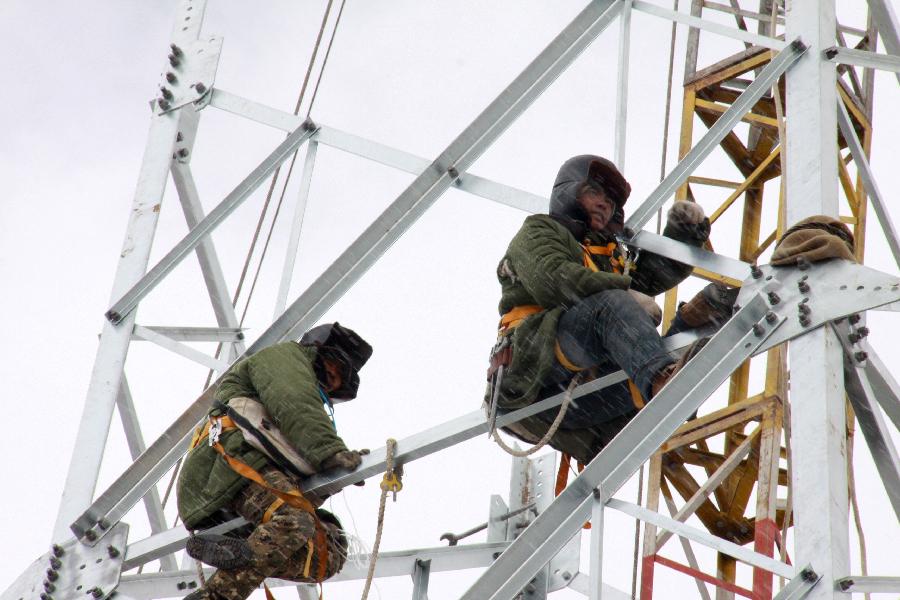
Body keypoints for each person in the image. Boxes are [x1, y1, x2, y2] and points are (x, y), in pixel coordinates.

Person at [487, 155, 713, 464]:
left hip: (582, 395)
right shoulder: (541, 231)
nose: (605, 204)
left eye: (610, 200)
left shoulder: (605, 257)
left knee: (701, 324)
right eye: (595, 193)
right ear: (570, 191)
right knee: (615, 308)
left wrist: (684, 237)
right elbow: (554, 280)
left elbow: (642, 283)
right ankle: (665, 382)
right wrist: (623, 292)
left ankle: (683, 350)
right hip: (535, 369)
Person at [177, 322, 373, 600]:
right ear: (319, 351)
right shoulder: (284, 358)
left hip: (254, 480)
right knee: (294, 519)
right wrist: (329, 452)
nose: (332, 381)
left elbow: (293, 475)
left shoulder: (293, 423)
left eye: (338, 381)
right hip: (229, 466)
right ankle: (215, 596)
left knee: (327, 552)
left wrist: (332, 477)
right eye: (333, 370)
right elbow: (294, 400)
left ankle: (241, 551)